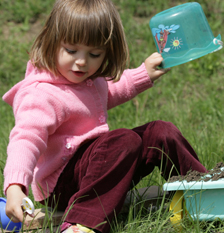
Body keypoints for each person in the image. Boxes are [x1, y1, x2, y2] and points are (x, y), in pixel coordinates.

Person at [2, 0, 207, 232]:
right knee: (124, 140)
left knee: (161, 131)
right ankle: (82, 223)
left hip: (99, 168)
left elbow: (110, 91)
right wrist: (15, 186)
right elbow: (26, 139)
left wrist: (144, 73)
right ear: (51, 41)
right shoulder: (40, 94)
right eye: (71, 50)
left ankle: (204, 190)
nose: (81, 61)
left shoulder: (87, 81)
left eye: (94, 53)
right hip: (62, 183)